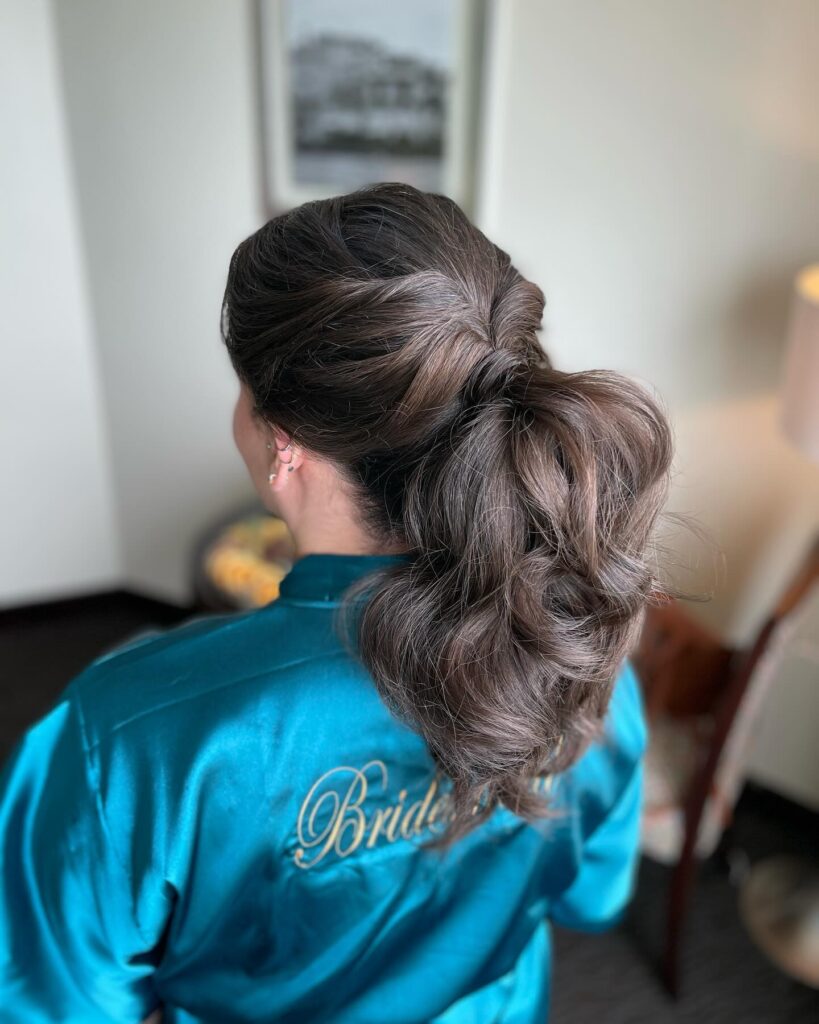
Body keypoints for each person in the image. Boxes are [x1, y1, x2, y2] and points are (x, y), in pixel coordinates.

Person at [0, 182, 672, 1023]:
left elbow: (53, 1004)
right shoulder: (579, 659)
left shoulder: (131, 740)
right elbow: (591, 900)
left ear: (281, 438)